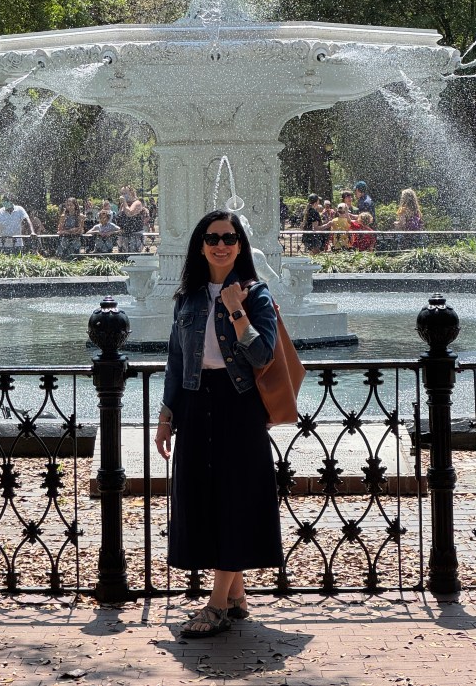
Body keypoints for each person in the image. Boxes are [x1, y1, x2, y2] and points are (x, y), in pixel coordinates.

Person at [155, 210, 281, 638]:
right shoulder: (188, 298)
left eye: (229, 238)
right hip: (196, 402)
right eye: (212, 238)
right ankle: (237, 596)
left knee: (236, 497)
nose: (221, 245)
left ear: (240, 245)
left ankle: (215, 606)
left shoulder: (255, 294)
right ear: (201, 245)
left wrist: (236, 310)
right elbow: (176, 360)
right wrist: (166, 415)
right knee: (204, 497)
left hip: (238, 404)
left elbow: (262, 355)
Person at [117, 185, 146, 253]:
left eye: (125, 193)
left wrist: (124, 202)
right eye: (122, 193)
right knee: (123, 257)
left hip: (136, 235)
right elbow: (119, 218)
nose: (122, 196)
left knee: (133, 256)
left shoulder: (137, 203)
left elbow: (129, 213)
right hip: (124, 235)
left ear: (131, 193)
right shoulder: (123, 205)